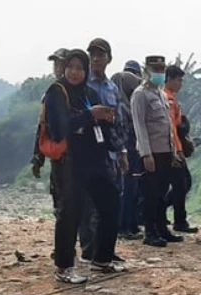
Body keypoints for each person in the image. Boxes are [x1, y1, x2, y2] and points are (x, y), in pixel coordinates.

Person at [43, 49, 123, 283]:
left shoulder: (89, 92)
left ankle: (102, 259)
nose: (75, 72)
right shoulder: (57, 92)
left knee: (111, 204)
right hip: (70, 162)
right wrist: (90, 116)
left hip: (95, 159)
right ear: (64, 69)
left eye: (80, 68)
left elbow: (98, 125)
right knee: (70, 213)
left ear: (86, 71)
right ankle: (64, 267)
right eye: (71, 67)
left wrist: (107, 119)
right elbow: (59, 129)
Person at [78, 38, 129, 264]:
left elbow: (119, 122)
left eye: (100, 54)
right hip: (87, 153)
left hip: (110, 153)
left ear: (109, 58)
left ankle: (105, 249)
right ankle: (89, 249)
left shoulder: (111, 88)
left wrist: (123, 152)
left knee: (109, 203)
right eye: (93, 54)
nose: (96, 58)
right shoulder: (80, 84)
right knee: (88, 205)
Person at [131, 55, 184, 247]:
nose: (159, 73)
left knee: (162, 193)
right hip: (151, 152)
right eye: (156, 70)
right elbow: (140, 125)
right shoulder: (140, 94)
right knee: (150, 194)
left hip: (165, 151)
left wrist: (174, 151)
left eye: (162, 70)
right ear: (147, 71)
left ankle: (162, 229)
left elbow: (168, 125)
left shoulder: (161, 94)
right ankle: (150, 231)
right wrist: (146, 153)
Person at [112, 62, 144, 240]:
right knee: (127, 189)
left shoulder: (131, 104)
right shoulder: (120, 106)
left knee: (133, 189)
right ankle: (123, 226)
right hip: (125, 151)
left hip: (133, 150)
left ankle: (131, 224)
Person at [164, 65, 196, 234]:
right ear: (169, 79)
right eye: (178, 80)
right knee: (181, 184)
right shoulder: (168, 99)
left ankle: (174, 217)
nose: (180, 83)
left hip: (174, 147)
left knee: (181, 183)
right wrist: (178, 150)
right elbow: (172, 128)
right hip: (173, 148)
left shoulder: (172, 98)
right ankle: (179, 220)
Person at [32, 48, 70, 189]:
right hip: (59, 156)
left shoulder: (82, 92)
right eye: (56, 64)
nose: (57, 68)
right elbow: (42, 127)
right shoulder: (50, 94)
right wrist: (38, 158)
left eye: (61, 64)